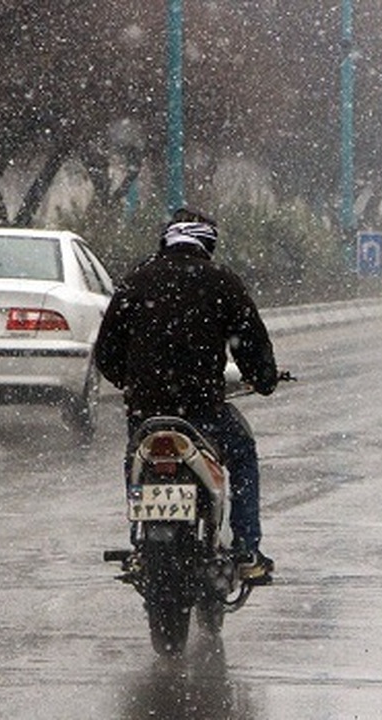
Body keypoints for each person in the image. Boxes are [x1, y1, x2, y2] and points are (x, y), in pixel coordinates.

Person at [95, 207, 279, 581]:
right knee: (242, 454)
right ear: (207, 243)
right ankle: (246, 550)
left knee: (137, 463)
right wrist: (263, 379)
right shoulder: (222, 281)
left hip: (146, 412)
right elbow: (251, 343)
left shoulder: (136, 281)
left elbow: (106, 353)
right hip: (202, 409)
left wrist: (132, 384)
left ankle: (141, 546)